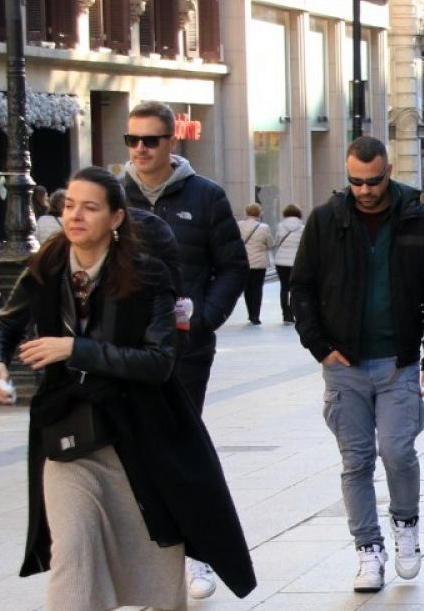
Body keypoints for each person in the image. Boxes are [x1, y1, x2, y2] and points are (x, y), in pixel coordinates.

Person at [0, 167, 254, 611]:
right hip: (69, 434)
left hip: (140, 432)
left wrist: (73, 349)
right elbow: (4, 325)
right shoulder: (46, 265)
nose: (74, 216)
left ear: (116, 218)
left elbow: (158, 363)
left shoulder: (148, 273)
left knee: (157, 543)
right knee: (71, 551)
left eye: (89, 207)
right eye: (69, 206)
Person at [288, 137, 424, 591]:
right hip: (344, 364)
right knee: (355, 461)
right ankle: (368, 550)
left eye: (373, 180)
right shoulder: (325, 220)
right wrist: (319, 345)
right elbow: (301, 288)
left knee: (398, 450)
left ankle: (406, 525)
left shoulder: (416, 217)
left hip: (397, 361)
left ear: (388, 170)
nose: (364, 190)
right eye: (355, 181)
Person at [120, 101, 247, 413]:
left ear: (171, 142)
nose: (140, 148)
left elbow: (233, 266)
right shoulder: (115, 197)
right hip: (124, 344)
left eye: (150, 141)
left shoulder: (206, 195)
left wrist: (205, 318)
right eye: (132, 140)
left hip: (186, 347)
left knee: (182, 439)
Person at [237, 203, 274, 326]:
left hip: (244, 261)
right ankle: (256, 315)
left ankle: (250, 313)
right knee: (257, 289)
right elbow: (270, 244)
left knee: (247, 288)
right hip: (259, 263)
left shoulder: (239, 225)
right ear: (259, 213)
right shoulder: (264, 227)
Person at [272, 204, 305, 324]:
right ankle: (293, 311)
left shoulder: (280, 226)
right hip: (295, 262)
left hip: (280, 261)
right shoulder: (302, 228)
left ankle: (285, 314)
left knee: (284, 287)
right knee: (294, 288)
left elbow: (276, 242)